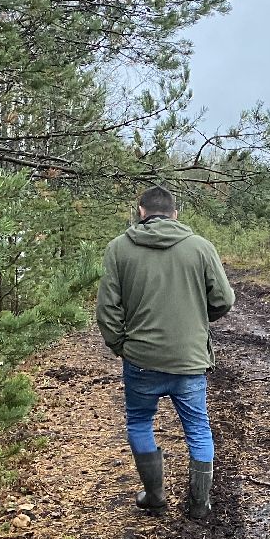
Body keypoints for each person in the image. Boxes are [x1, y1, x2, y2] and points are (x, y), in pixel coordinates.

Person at [96, 186, 236, 519]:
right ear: (175, 214)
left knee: (140, 423)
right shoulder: (201, 248)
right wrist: (198, 322)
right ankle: (199, 504)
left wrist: (121, 346)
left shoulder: (118, 249)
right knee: (198, 429)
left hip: (141, 360)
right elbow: (224, 300)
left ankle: (155, 497)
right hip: (188, 360)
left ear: (141, 211)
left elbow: (107, 310)